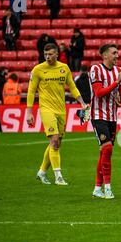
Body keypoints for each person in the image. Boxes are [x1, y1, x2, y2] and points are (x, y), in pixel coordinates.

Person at [26, 43, 89, 186]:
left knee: (57, 143)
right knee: (54, 140)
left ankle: (42, 172)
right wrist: (29, 112)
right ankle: (58, 176)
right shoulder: (38, 69)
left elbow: (72, 86)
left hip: (61, 109)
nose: (47, 57)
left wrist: (82, 102)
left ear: (57, 54)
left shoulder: (64, 68)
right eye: (45, 54)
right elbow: (31, 91)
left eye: (50, 54)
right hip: (46, 109)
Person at [88, 43, 121, 199]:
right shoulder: (96, 69)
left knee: (105, 152)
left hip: (112, 117)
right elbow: (99, 93)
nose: (117, 55)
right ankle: (107, 188)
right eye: (114, 53)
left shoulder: (119, 71)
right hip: (98, 115)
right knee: (107, 149)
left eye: (118, 52)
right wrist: (117, 82)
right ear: (105, 55)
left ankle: (97, 188)